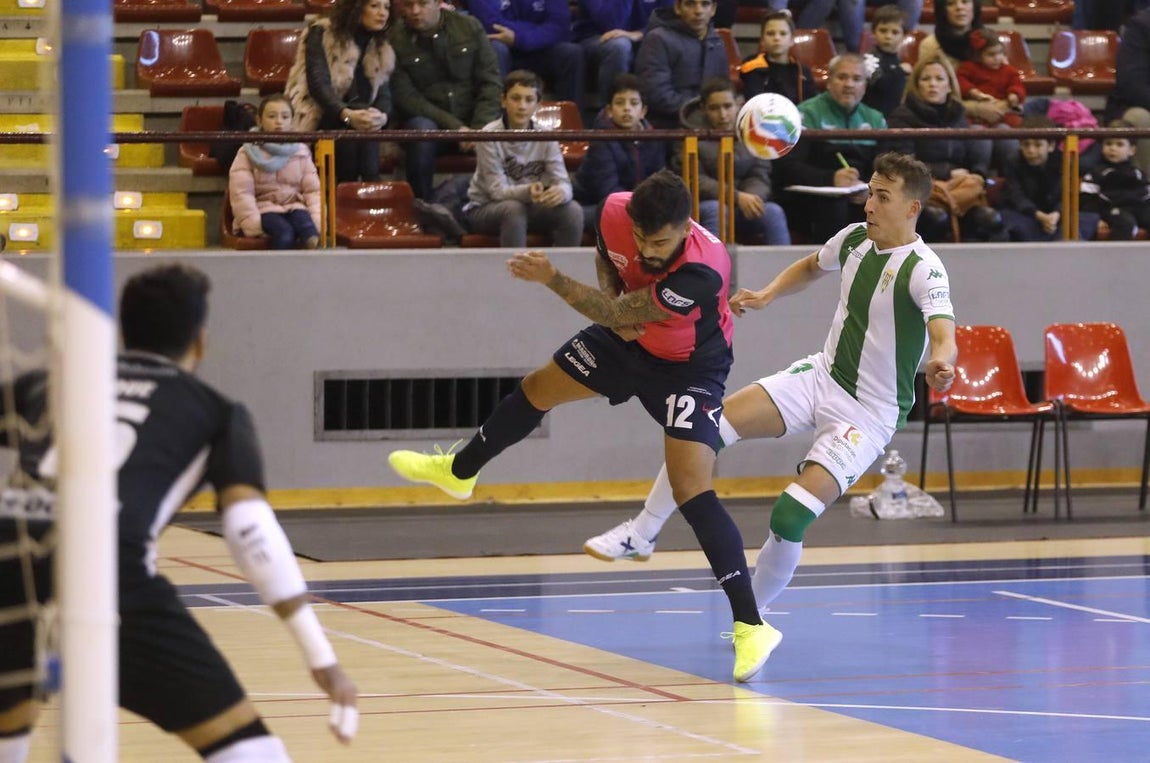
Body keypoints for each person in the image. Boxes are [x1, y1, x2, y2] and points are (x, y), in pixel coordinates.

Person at [389, 170, 781, 683]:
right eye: (642, 238)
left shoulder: (703, 271)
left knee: (690, 490)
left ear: (686, 228)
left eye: (660, 242)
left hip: (691, 366)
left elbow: (619, 308)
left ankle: (752, 626)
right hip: (626, 343)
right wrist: (614, 298)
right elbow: (607, 257)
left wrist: (554, 278)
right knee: (537, 389)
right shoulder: (617, 209)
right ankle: (460, 471)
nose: (647, 250)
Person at [584, 154, 957, 646]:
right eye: (869, 192)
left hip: (869, 413)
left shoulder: (925, 269)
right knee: (705, 428)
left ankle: (751, 620)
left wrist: (943, 361)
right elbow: (810, 266)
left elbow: (942, 330)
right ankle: (643, 531)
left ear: (912, 208)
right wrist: (767, 294)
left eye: (882, 197)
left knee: (789, 516)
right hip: (821, 377)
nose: (869, 204)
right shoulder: (852, 240)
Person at [0, 264, 358, 762]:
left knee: (9, 729)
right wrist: (322, 658)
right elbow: (250, 529)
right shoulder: (216, 412)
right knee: (250, 751)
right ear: (201, 341)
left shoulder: (52, 382)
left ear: (123, 333)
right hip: (109, 576)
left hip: (8, 558)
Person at [387, 0, 503, 200]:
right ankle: (423, 206)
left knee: (508, 125)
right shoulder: (394, 39)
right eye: (408, 5)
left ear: (437, 3)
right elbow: (406, 97)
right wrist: (456, 127)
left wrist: (478, 128)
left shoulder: (468, 26)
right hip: (433, 126)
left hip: (475, 122)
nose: (414, 11)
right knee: (420, 130)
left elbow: (490, 82)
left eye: (422, 4)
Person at [886, 53, 1002, 242]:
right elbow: (904, 166)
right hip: (922, 192)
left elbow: (974, 157)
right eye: (926, 79)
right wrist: (948, 171)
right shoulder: (901, 117)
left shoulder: (959, 116)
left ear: (949, 86)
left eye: (939, 79)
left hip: (959, 190)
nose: (933, 84)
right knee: (936, 218)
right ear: (916, 85)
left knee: (990, 219)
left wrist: (976, 173)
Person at [464, 70, 584, 248]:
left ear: (537, 105)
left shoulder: (546, 136)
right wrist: (528, 191)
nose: (522, 106)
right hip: (485, 208)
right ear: (503, 101)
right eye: (516, 98)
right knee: (513, 210)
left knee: (573, 210)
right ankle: (516, 274)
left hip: (531, 206)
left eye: (529, 100)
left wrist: (561, 192)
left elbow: (564, 182)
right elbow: (496, 192)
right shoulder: (488, 135)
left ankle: (560, 273)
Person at [775, 53, 886, 242]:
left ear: (865, 85)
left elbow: (886, 170)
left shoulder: (876, 119)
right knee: (835, 208)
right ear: (828, 82)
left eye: (856, 79)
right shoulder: (805, 114)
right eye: (842, 77)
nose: (849, 84)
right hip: (814, 197)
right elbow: (787, 168)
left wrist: (870, 189)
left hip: (864, 194)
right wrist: (830, 179)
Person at [284, 0, 393, 183]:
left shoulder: (381, 45)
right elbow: (318, 85)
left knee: (364, 128)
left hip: (360, 121)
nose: (382, 13)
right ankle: (362, 187)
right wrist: (347, 114)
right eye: (374, 6)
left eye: (387, 7)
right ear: (356, 7)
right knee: (350, 135)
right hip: (320, 114)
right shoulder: (322, 33)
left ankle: (366, 187)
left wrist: (380, 116)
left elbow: (385, 94)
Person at [674, 77, 790, 243]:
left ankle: (786, 268)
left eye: (727, 106)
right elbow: (695, 180)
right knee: (717, 210)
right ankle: (711, 267)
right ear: (703, 109)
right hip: (704, 206)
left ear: (739, 104)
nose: (722, 114)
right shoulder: (687, 136)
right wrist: (736, 196)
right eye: (714, 108)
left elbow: (760, 173)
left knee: (773, 212)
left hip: (743, 203)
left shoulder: (753, 131)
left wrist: (752, 197)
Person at [573, 73, 668, 232]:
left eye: (634, 103)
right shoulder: (601, 139)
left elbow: (659, 180)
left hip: (637, 206)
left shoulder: (654, 138)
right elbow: (608, 192)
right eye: (620, 103)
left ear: (643, 111)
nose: (627, 108)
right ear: (609, 110)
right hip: (596, 206)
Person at [228, 95, 323, 250]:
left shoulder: (301, 150)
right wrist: (253, 224)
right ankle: (278, 272)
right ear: (259, 121)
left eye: (285, 117)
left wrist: (317, 222)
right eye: (272, 116)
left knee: (308, 229)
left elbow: (312, 191)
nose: (279, 121)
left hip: (294, 206)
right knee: (285, 233)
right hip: (263, 209)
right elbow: (241, 193)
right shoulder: (246, 152)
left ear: (292, 121)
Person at [467, 0, 586, 109]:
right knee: (496, 49)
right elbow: (490, 23)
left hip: (539, 47)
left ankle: (572, 122)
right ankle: (495, 121)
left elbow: (559, 26)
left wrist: (519, 38)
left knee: (571, 53)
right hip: (503, 48)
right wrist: (535, 29)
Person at [999, 115, 1099, 242]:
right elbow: (1016, 195)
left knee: (1075, 223)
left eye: (1038, 145)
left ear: (1051, 146)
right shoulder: (1012, 161)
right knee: (1006, 223)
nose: (1031, 150)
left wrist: (1056, 214)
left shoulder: (1065, 161)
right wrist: (1038, 215)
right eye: (1026, 144)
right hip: (1024, 214)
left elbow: (1067, 194)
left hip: (1056, 215)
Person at [634, 0, 729, 128]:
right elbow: (657, 95)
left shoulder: (717, 42)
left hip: (709, 124)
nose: (698, 11)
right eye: (690, 4)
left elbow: (723, 88)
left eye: (705, 4)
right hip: (668, 128)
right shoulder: (657, 39)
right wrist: (698, 111)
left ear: (713, 9)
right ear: (678, 7)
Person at [573, 0, 673, 115]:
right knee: (619, 46)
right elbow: (612, 24)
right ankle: (610, 117)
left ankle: (664, 113)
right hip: (597, 39)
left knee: (662, 41)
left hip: (645, 38)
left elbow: (670, 18)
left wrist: (640, 33)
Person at [916, 0, 1002, 126]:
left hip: (995, 112)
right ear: (942, 10)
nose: (959, 7)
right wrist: (976, 109)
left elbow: (1006, 79)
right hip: (950, 118)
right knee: (981, 144)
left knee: (1008, 142)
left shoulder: (990, 42)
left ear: (975, 6)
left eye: (965, 2)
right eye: (951, 3)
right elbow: (930, 96)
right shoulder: (930, 46)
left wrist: (1002, 105)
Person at [1081, 121, 1150, 240]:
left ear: (1132, 150)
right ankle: (1121, 258)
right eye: (1108, 143)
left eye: (1119, 144)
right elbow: (1087, 199)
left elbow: (1147, 195)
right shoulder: (1096, 173)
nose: (1112, 148)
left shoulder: (1139, 174)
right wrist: (1096, 219)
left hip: (1138, 209)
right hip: (1111, 211)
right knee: (1125, 223)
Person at [1105, 8, 1150, 176]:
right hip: (1139, 105)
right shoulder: (1141, 25)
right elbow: (1131, 84)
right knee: (1139, 118)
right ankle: (1145, 193)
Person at [738, 10, 817, 104]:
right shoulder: (752, 67)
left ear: (791, 40)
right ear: (762, 40)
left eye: (783, 33)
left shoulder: (802, 72)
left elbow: (809, 105)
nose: (777, 38)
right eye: (770, 33)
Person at [955, 29, 1024, 128]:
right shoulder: (968, 67)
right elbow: (961, 81)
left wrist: (1014, 94)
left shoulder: (1009, 71)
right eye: (991, 54)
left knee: (1013, 126)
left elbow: (1017, 84)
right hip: (977, 115)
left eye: (1000, 53)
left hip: (1003, 113)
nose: (997, 58)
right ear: (978, 55)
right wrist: (973, 92)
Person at [861, 3, 912, 117]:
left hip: (893, 116)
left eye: (895, 32)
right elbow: (879, 84)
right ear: (874, 32)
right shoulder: (869, 58)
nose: (888, 36)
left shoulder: (896, 59)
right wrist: (900, 71)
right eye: (883, 31)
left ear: (904, 36)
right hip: (872, 118)